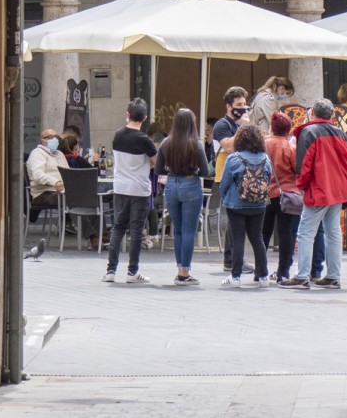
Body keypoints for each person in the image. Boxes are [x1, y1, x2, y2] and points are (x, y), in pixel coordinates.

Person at [278, 99, 347, 290]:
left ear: (313, 112)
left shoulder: (309, 132)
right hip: (337, 188)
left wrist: (302, 186)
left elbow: (303, 165)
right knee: (333, 232)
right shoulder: (340, 133)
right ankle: (333, 275)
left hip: (318, 188)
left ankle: (302, 275)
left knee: (306, 232)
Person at [102, 99, 158, 284]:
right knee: (136, 230)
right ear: (145, 118)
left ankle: (110, 270)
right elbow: (156, 163)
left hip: (120, 187)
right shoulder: (145, 140)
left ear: (127, 114)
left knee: (117, 228)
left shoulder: (117, 135)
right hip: (140, 189)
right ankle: (132, 272)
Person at [155, 108, 210, 286]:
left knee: (177, 230)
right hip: (191, 184)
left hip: (171, 185)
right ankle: (185, 272)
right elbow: (205, 171)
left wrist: (172, 170)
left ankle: (180, 270)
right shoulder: (196, 144)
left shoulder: (166, 143)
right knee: (189, 231)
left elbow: (158, 169)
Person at [219, 125, 273, 287]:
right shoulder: (265, 158)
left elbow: (224, 183)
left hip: (236, 204)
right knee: (257, 238)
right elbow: (268, 179)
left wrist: (226, 199)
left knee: (238, 239)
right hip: (259, 204)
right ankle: (263, 276)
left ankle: (235, 277)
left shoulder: (234, 158)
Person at [213, 86, 250, 271]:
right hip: (226, 177)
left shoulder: (241, 123)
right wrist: (243, 127)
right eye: (239, 104)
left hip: (243, 176)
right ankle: (231, 259)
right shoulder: (223, 125)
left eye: (244, 104)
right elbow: (229, 146)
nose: (243, 107)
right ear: (229, 106)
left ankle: (234, 259)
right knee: (234, 218)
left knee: (239, 218)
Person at [263, 112, 300, 281]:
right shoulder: (290, 147)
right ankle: (283, 272)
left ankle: (261, 270)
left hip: (265, 194)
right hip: (287, 194)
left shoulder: (263, 144)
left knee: (263, 232)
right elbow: (297, 169)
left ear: (272, 127)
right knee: (286, 233)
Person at [26, 129, 68, 222]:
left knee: (86, 197)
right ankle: (91, 234)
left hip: (62, 191)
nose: (55, 140)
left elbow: (68, 172)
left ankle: (101, 233)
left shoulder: (59, 154)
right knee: (71, 199)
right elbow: (38, 174)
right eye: (51, 137)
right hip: (44, 193)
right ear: (43, 140)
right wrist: (55, 181)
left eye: (56, 137)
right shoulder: (37, 153)